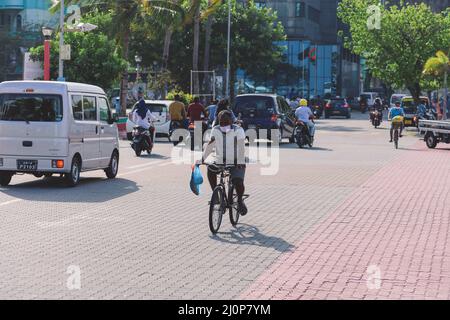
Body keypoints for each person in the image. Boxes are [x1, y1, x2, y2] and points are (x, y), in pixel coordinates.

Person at [202, 110, 248, 215]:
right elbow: (211, 144)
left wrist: (240, 161)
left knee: (238, 182)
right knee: (210, 170)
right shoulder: (215, 129)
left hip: (236, 160)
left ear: (232, 121)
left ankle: (240, 200)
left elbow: (241, 146)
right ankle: (217, 196)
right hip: (220, 159)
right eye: (221, 122)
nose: (223, 125)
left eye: (226, 122)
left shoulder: (238, 130)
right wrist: (203, 158)